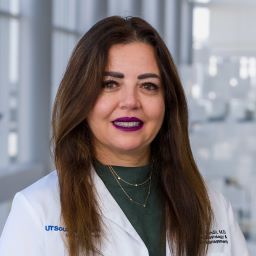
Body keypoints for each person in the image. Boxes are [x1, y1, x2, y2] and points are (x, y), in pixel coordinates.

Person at [0, 16, 249, 256]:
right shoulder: (37, 210)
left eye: (148, 86)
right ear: (82, 98)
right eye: (110, 84)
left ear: (167, 102)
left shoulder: (213, 208)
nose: (130, 102)